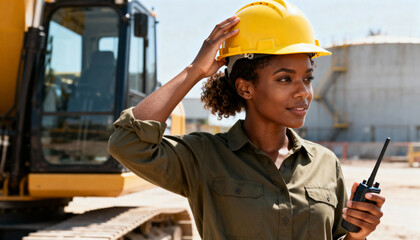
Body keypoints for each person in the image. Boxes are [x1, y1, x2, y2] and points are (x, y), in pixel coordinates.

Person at [108, 1, 385, 239]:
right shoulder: (205, 157)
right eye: (285, 79)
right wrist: (194, 71)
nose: (304, 92)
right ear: (245, 88)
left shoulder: (325, 165)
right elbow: (127, 142)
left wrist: (356, 235)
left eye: (308, 78)